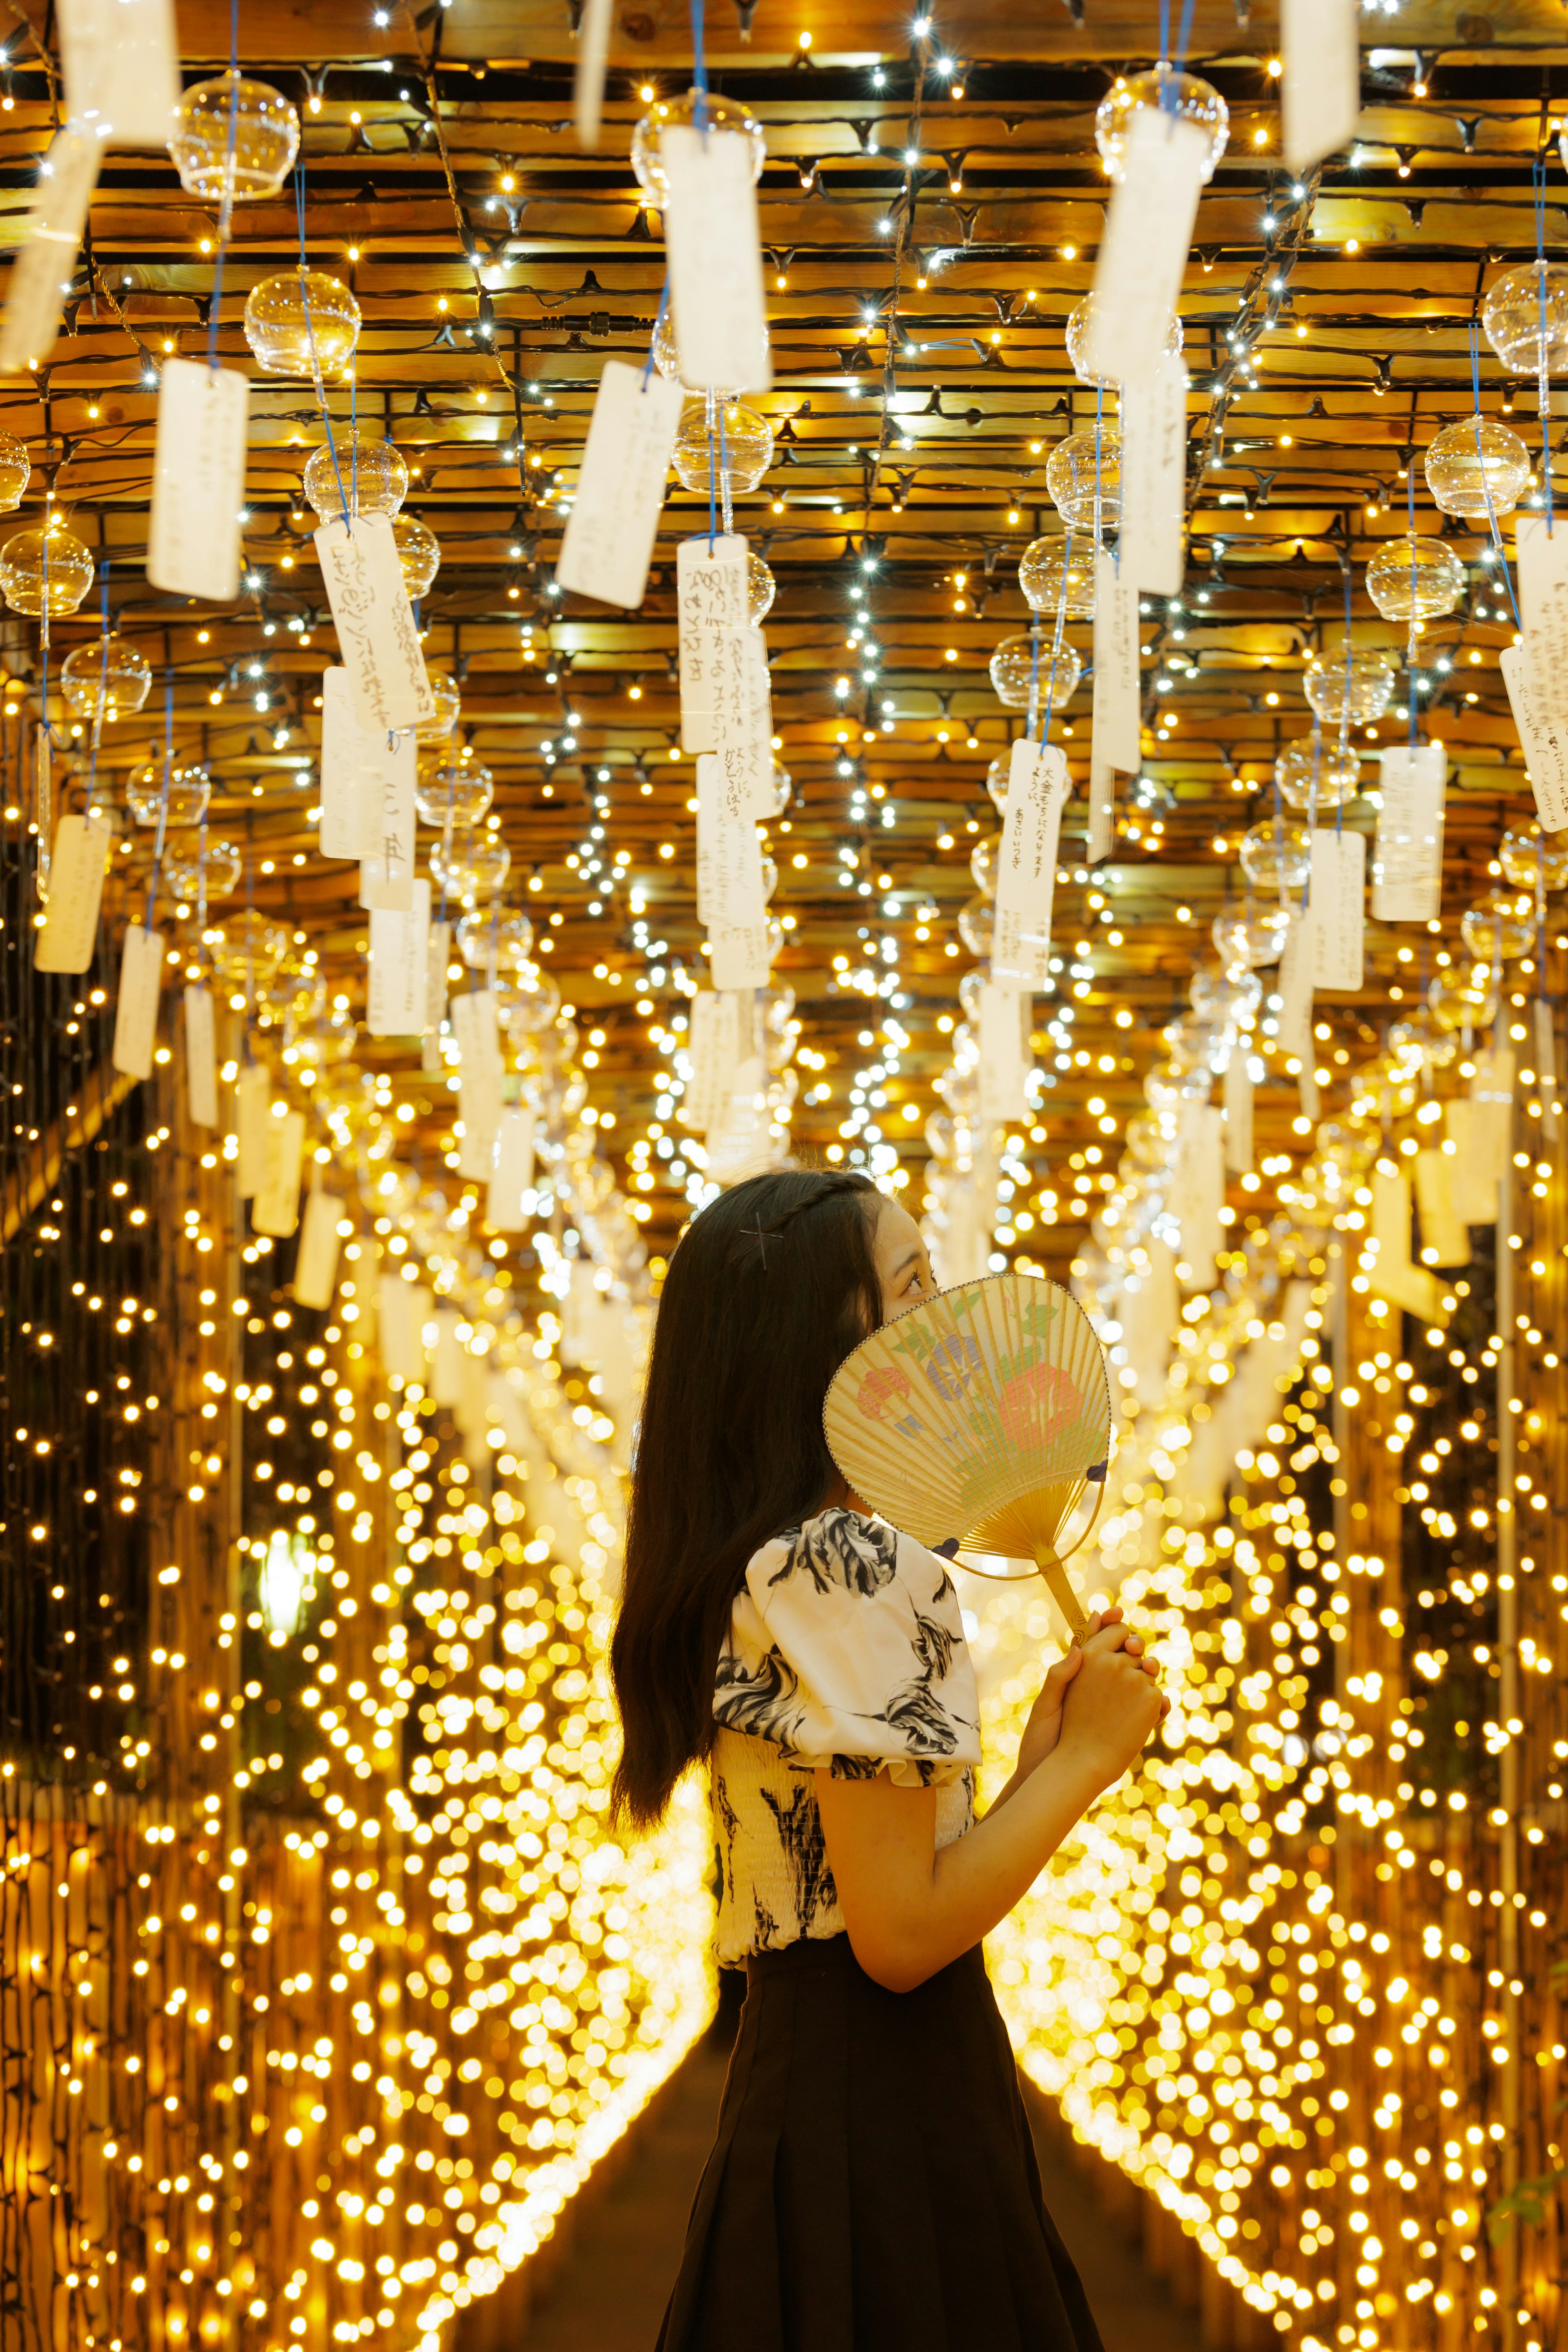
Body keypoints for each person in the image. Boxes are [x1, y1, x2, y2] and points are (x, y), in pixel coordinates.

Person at [611, 1167, 1166, 2352]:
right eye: (911, 1286)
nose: (945, 1317)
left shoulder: (776, 1554)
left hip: (814, 2074)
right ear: (827, 1339)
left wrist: (1035, 1768)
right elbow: (902, 1940)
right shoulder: (851, 1559)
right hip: (888, 2087)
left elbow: (892, 1890)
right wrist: (1087, 1771)